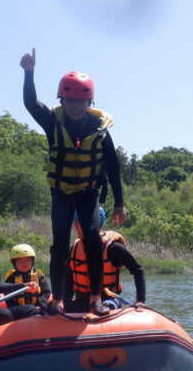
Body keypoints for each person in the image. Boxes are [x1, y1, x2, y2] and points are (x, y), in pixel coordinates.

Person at [20, 48, 127, 314]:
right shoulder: (52, 121)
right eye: (69, 101)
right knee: (60, 243)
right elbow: (31, 104)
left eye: (81, 102)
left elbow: (113, 166)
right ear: (61, 99)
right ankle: (57, 299)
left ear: (89, 102)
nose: (75, 107)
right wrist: (29, 74)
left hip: (89, 192)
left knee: (92, 239)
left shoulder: (99, 128)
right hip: (61, 192)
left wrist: (119, 203)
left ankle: (95, 299)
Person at [64, 207, 146, 314]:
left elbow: (137, 270)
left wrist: (140, 300)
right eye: (75, 221)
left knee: (107, 305)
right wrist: (64, 304)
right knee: (55, 310)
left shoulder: (113, 248)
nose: (75, 225)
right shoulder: (75, 248)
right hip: (82, 301)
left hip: (108, 300)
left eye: (79, 221)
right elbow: (69, 281)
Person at [3, 244, 51, 310]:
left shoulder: (38, 276)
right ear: (14, 264)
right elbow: (8, 296)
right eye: (20, 261)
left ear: (32, 262)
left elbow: (46, 292)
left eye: (27, 260)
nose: (24, 264)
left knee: (52, 307)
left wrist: (42, 303)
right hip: (18, 309)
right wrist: (13, 308)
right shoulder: (11, 278)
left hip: (37, 307)